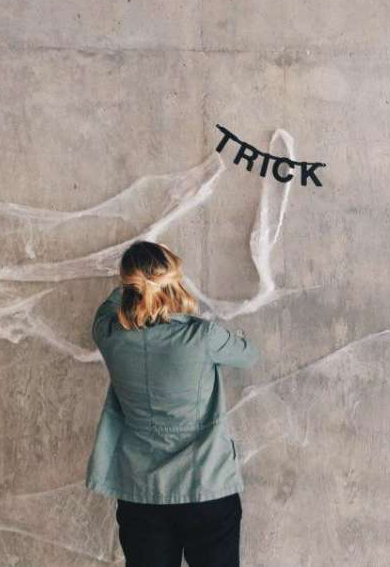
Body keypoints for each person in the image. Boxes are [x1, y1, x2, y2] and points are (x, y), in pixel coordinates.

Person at [85, 241, 260, 567]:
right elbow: (249, 354)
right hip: (204, 487)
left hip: (142, 494)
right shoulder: (203, 337)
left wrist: (135, 280)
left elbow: (108, 308)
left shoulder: (108, 335)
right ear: (172, 280)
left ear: (129, 284)